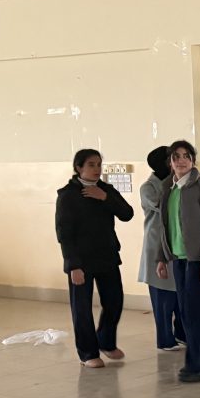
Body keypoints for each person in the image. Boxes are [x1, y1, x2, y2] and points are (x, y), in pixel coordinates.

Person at [55, 148, 134, 368]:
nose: (97, 169)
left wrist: (105, 198)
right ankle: (87, 353)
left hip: (107, 256)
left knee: (114, 301)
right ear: (78, 167)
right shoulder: (68, 195)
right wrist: (73, 265)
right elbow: (64, 233)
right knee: (82, 308)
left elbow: (127, 214)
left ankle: (106, 342)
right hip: (81, 261)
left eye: (99, 164)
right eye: (91, 164)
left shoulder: (106, 190)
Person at [156, 141, 200, 383]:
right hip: (180, 260)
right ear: (170, 162)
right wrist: (162, 257)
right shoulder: (169, 190)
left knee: (199, 315)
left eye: (187, 156)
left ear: (193, 160)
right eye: (176, 156)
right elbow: (164, 227)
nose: (181, 160)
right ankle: (194, 363)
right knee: (186, 314)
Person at [140, 146, 185, 351]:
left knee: (180, 296)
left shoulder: (179, 183)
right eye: (173, 159)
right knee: (163, 299)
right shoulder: (148, 188)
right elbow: (166, 205)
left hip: (175, 245)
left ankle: (182, 334)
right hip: (156, 245)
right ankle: (165, 340)